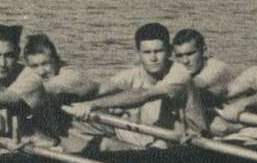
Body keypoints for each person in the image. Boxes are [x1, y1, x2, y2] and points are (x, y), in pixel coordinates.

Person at [69, 21, 203, 145]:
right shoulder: (133, 74)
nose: (153, 58)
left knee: (108, 144)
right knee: (74, 125)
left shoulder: (179, 75)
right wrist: (68, 97)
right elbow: (100, 89)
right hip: (148, 138)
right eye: (147, 52)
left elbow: (144, 95)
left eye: (158, 51)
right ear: (138, 54)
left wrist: (92, 105)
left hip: (188, 144)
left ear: (169, 51)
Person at [19, 33, 101, 146]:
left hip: (101, 128)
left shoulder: (70, 75)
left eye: (45, 64)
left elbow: (53, 87)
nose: (41, 72)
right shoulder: (35, 79)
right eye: (35, 66)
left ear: (57, 61)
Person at [171, 28, 239, 106]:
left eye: (190, 54)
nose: (185, 61)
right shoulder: (182, 71)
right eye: (179, 56)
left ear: (204, 50)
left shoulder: (216, 67)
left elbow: (193, 84)